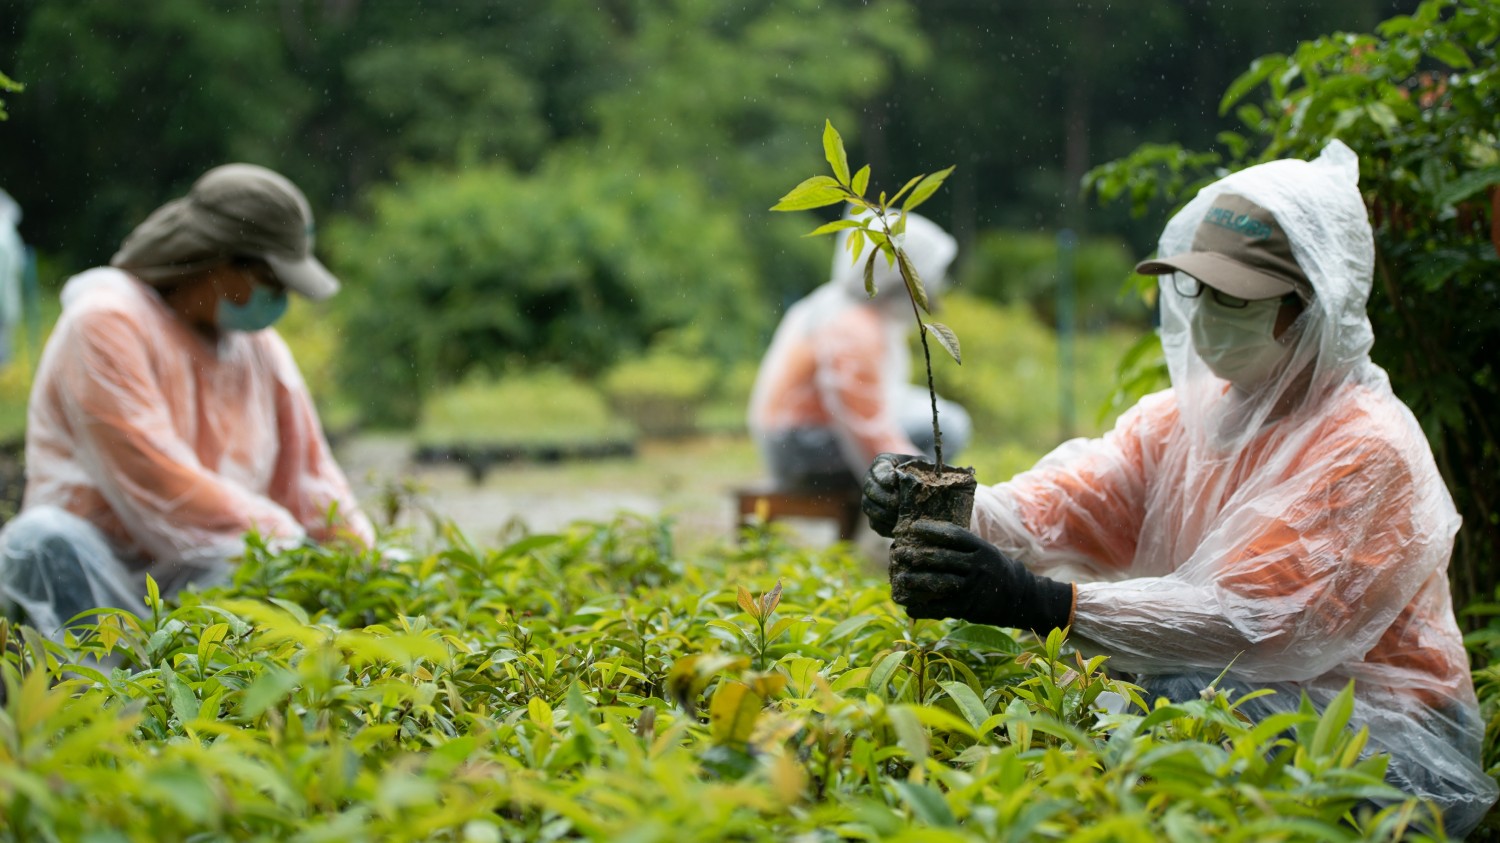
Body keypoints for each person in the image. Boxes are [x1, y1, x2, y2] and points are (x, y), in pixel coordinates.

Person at [860, 142, 1497, 834]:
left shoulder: (1367, 447)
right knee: (1139, 699)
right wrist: (948, 503)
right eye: (1198, 288)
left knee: (1174, 699)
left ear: (1314, 304)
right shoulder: (1188, 420)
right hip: (1260, 695)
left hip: (1396, 738)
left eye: (1235, 296)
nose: (1207, 313)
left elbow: (1249, 622)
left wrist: (1039, 601)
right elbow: (1063, 504)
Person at [0, 163, 375, 638]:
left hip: (194, 573)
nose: (278, 300)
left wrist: (366, 563)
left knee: (265, 565)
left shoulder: (258, 348)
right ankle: (89, 694)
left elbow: (309, 476)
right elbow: (158, 482)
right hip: (100, 571)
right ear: (217, 261)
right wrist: (279, 539)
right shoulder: (109, 323)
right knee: (42, 542)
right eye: (272, 282)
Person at [749, 209, 968, 494]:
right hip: (802, 447)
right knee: (946, 427)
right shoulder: (853, 327)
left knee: (933, 416)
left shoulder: (842, 307)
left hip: (795, 441)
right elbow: (865, 425)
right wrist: (922, 482)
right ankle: (903, 519)